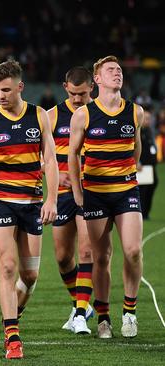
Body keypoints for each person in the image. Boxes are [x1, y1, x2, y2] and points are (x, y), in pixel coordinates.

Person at [0, 60, 58, 359]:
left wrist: (52, 199)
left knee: (30, 276)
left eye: (6, 90)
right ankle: (12, 336)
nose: (1, 95)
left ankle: (13, 314)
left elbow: (51, 162)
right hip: (1, 201)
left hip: (32, 204)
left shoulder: (39, 116)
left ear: (20, 86)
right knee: (7, 267)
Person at [68, 55, 144, 339]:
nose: (117, 73)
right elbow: (72, 154)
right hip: (96, 195)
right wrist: (78, 191)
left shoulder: (136, 112)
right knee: (101, 258)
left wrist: (128, 173)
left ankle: (130, 312)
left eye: (119, 70)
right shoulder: (84, 114)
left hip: (126, 190)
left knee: (133, 250)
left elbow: (135, 149)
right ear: (97, 79)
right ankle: (103, 318)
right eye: (110, 70)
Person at [47, 66, 96, 333]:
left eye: (83, 94)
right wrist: (56, 173)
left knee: (87, 250)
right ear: (65, 87)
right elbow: (43, 155)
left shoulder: (97, 113)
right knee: (63, 257)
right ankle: (80, 303)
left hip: (91, 190)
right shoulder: (53, 116)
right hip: (63, 193)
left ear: (92, 88)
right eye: (74, 93)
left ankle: (79, 312)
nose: (78, 99)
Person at [137, 106, 158, 220]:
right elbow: (134, 147)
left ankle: (146, 212)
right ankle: (142, 213)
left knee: (152, 185)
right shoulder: (138, 131)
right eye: (146, 118)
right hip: (142, 167)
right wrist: (138, 162)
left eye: (149, 118)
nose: (148, 121)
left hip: (151, 166)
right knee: (143, 190)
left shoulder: (149, 131)